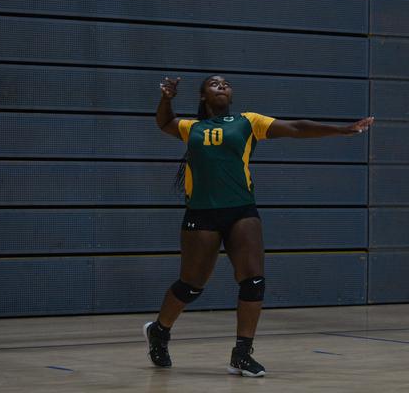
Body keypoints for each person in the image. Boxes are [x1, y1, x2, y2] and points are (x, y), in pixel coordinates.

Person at [143, 74, 374, 377]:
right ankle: (160, 331)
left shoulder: (248, 122)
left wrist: (340, 131)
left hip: (241, 210)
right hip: (202, 212)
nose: (222, 86)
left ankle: (241, 353)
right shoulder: (191, 128)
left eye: (225, 83)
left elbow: (295, 128)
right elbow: (164, 123)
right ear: (202, 96)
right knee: (191, 285)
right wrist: (166, 99)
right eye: (214, 84)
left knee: (253, 281)